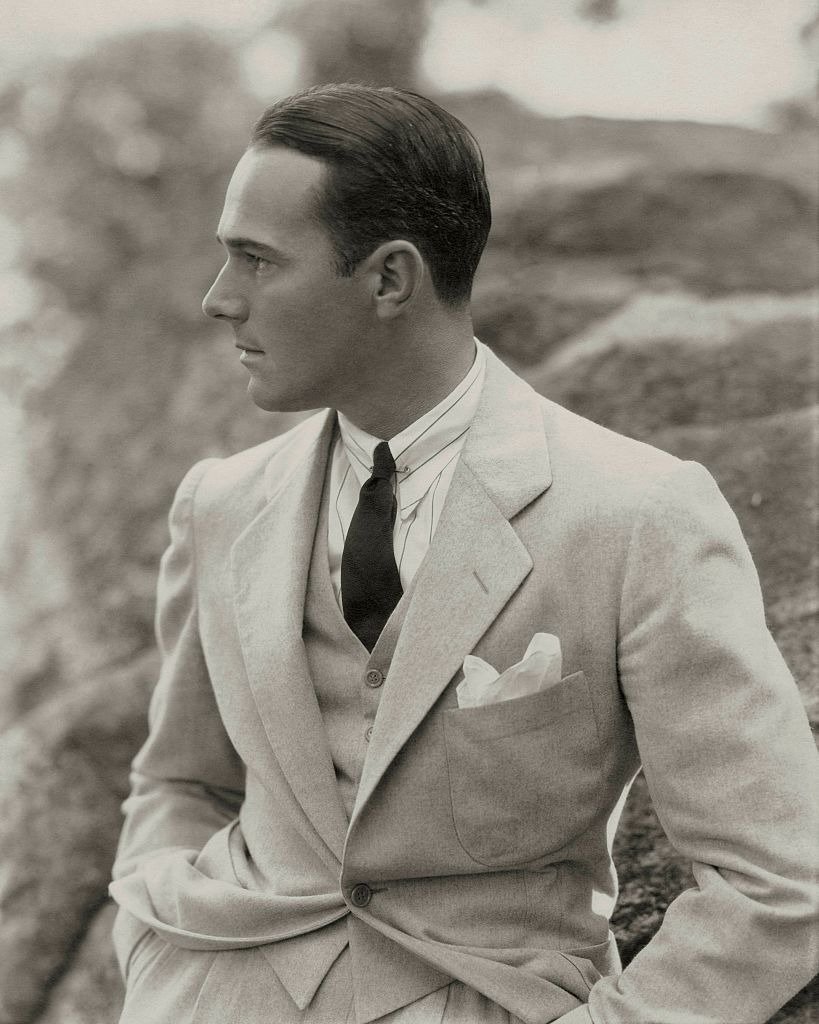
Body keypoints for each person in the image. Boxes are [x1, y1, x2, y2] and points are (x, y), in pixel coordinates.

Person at [109, 84, 818, 1024]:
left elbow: (775, 877)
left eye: (256, 260)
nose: (217, 298)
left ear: (390, 280)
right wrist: (159, 947)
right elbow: (180, 779)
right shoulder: (222, 503)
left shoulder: (636, 514)